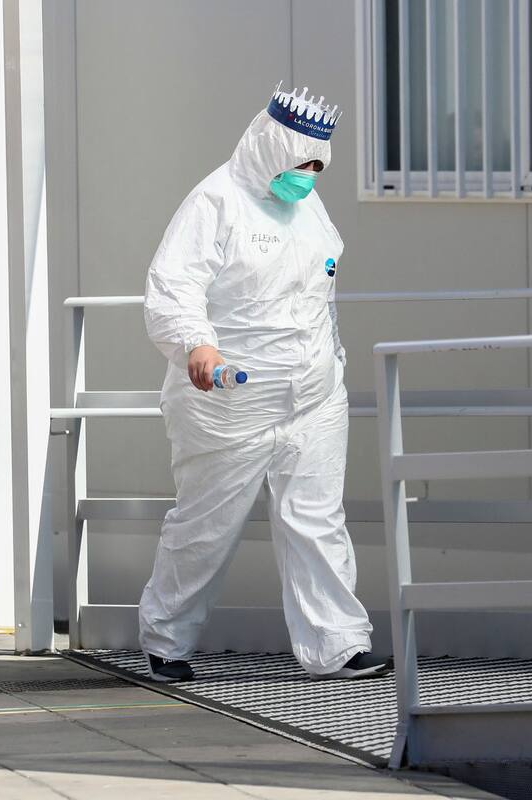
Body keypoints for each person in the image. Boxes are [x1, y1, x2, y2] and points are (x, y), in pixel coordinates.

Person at [138, 84, 392, 683]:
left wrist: (330, 365)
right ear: (270, 149)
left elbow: (320, 292)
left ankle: (338, 644)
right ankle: (167, 641)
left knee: (318, 521)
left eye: (317, 167)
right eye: (300, 164)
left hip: (313, 396)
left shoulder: (309, 210)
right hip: (229, 398)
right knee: (206, 526)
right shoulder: (215, 202)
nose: (307, 177)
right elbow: (174, 287)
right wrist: (196, 345)